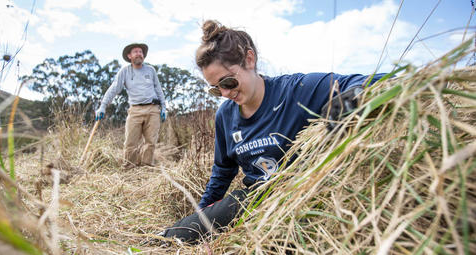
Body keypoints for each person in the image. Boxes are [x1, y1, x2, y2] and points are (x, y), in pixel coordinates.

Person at [161, 20, 386, 244]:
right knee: (179, 237)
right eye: (216, 89)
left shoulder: (297, 91)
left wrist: (349, 99)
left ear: (249, 59)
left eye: (228, 81)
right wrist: (198, 218)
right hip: (254, 202)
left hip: (305, 197)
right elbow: (222, 171)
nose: (226, 93)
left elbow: (368, 82)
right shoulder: (225, 116)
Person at [95, 43, 166, 168]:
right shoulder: (125, 71)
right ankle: (128, 168)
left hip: (153, 109)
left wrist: (164, 108)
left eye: (141, 52)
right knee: (130, 142)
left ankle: (146, 168)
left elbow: (158, 89)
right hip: (135, 110)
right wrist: (103, 106)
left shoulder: (150, 70)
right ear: (129, 56)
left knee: (150, 142)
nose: (139, 54)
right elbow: (114, 89)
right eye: (136, 52)